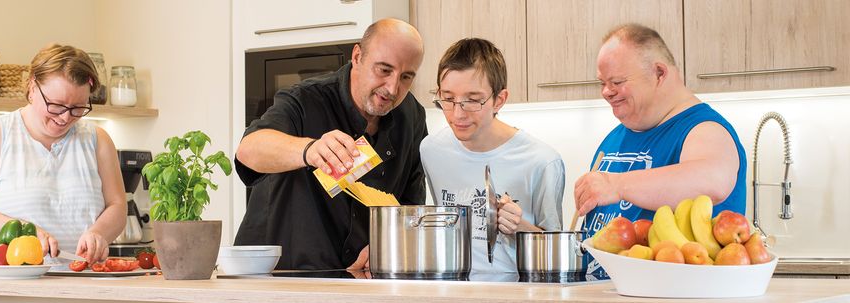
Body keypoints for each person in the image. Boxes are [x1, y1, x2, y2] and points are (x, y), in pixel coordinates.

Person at [233, 18, 427, 270]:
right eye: (384, 70)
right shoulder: (305, 99)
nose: (392, 87)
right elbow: (249, 149)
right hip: (278, 275)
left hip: (354, 281)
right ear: (357, 56)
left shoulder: (411, 116)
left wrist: (386, 248)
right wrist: (309, 150)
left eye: (406, 76)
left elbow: (410, 210)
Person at [574, 24, 747, 276]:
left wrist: (616, 185)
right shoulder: (617, 136)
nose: (606, 92)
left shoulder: (704, 128)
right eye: (602, 83)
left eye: (617, 82)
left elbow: (713, 180)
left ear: (659, 73)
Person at [0, 44, 126, 277]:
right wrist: (23, 231)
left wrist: (99, 233)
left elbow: (117, 206)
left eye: (77, 108)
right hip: (6, 288)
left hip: (82, 286)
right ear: (32, 87)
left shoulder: (97, 140)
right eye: (56, 105)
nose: (65, 117)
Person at [420, 38, 564, 273]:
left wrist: (521, 227)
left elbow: (557, 257)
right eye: (447, 99)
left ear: (499, 100)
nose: (458, 114)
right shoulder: (431, 151)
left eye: (473, 101)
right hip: (450, 291)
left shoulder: (542, 161)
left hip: (516, 295)